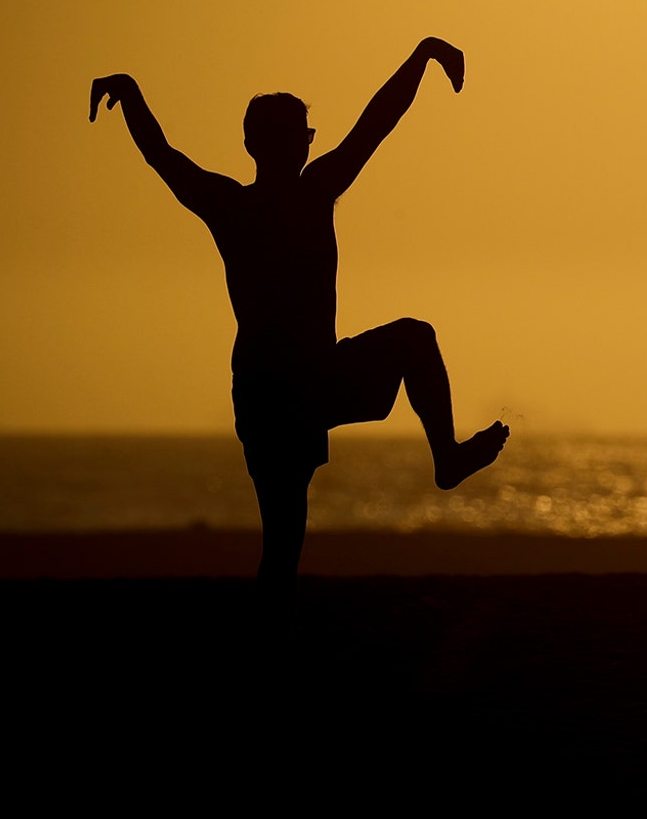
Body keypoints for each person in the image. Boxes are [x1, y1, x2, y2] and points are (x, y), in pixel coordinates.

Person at [90, 38, 509, 604]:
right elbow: (370, 126)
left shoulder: (244, 202)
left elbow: (164, 155)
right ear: (270, 144)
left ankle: (447, 457)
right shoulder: (285, 197)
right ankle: (447, 459)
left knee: (412, 341)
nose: (308, 145)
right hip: (287, 386)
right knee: (284, 541)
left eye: (307, 135)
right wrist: (423, 55)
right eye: (302, 135)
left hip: (290, 381)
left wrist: (129, 92)